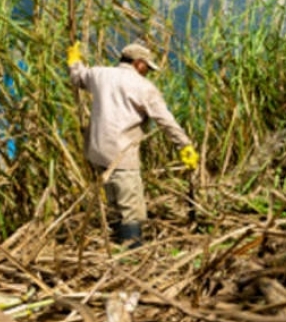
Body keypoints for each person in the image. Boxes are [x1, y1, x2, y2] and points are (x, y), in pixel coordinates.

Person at [66, 41, 198, 248]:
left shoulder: (99, 74)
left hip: (97, 153)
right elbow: (165, 120)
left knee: (113, 203)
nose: (148, 72)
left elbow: (77, 77)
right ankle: (132, 255)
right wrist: (185, 145)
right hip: (121, 154)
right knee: (131, 209)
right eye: (147, 67)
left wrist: (74, 61)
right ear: (138, 63)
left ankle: (117, 245)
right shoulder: (143, 87)